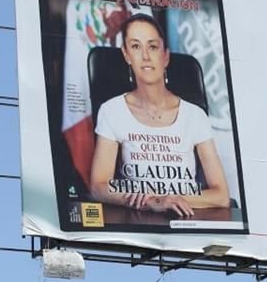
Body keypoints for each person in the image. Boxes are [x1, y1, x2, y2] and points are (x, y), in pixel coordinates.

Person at [89, 14, 229, 217]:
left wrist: (170, 200)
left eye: (153, 46)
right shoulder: (112, 110)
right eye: (136, 47)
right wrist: (152, 202)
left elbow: (221, 195)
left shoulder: (195, 116)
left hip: (188, 220)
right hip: (137, 220)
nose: (145, 56)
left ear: (166, 56)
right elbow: (98, 186)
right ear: (126, 55)